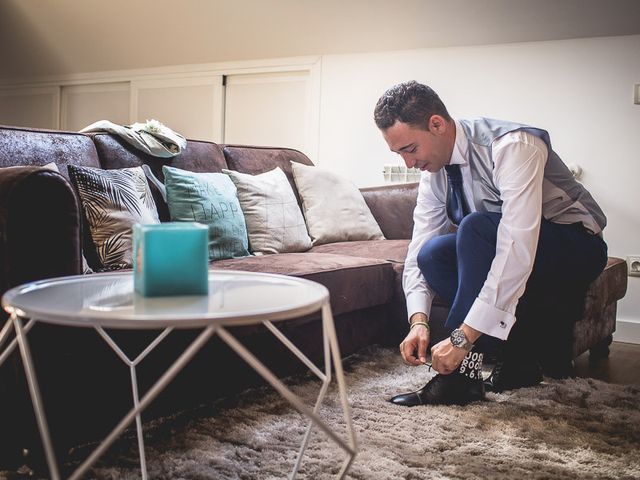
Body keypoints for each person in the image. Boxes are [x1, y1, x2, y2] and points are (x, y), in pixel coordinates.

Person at [373, 81, 608, 406]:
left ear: (437, 125)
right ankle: (518, 363)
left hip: (576, 244)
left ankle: (460, 376)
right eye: (398, 154)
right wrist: (419, 321)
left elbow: (516, 247)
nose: (408, 164)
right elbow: (419, 247)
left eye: (410, 149)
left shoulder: (514, 146)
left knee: (475, 229)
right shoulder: (435, 172)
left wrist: (461, 338)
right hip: (516, 247)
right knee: (433, 254)